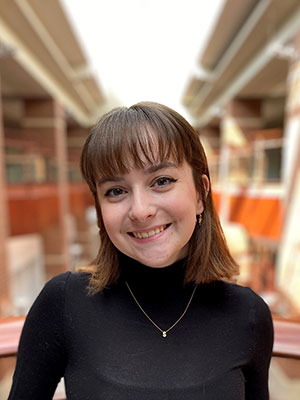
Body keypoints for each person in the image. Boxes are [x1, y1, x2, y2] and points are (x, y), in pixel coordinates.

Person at [8, 102, 273, 399]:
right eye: (116, 191)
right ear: (100, 209)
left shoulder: (248, 314)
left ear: (200, 193)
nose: (140, 211)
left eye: (161, 181)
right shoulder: (64, 303)